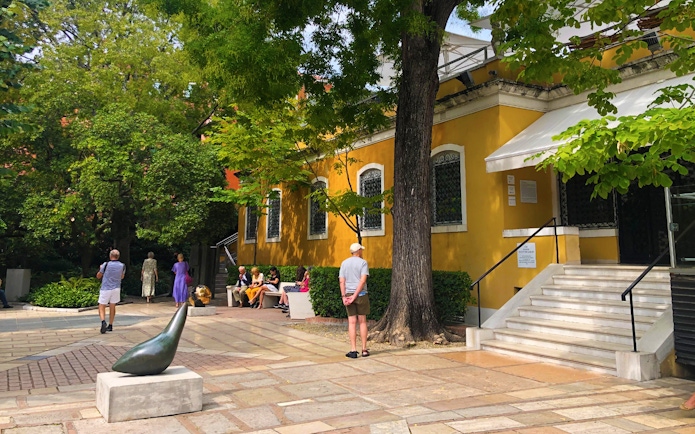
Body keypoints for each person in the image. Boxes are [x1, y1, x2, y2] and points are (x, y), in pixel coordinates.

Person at [339, 243, 370, 358]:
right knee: (362, 321)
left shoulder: (344, 263)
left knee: (351, 322)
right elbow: (362, 281)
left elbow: (342, 281)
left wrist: (344, 296)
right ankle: (364, 349)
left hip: (348, 294)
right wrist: (355, 295)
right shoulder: (363, 263)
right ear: (359, 251)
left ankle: (353, 349)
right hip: (361, 294)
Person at [97, 249, 126, 334]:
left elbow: (98, 276)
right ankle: (110, 325)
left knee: (102, 305)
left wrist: (100, 269)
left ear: (110, 256)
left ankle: (103, 321)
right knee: (112, 306)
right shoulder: (122, 266)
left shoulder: (105, 265)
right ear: (118, 256)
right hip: (116, 288)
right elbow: (122, 277)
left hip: (106, 288)